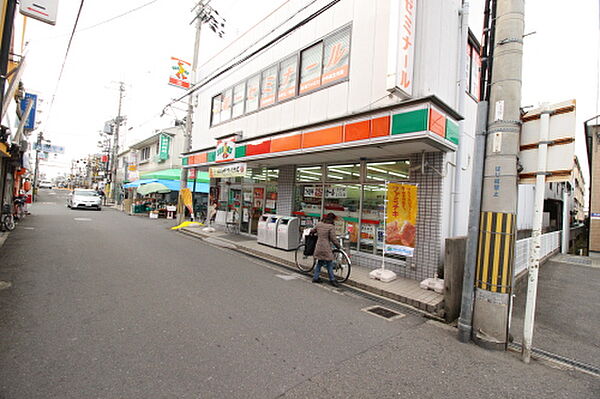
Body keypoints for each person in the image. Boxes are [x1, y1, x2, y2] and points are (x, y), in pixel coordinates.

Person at [311, 212, 341, 287]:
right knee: (329, 263)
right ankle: (332, 279)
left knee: (320, 262)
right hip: (326, 247)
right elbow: (333, 239)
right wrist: (338, 246)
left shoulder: (319, 224)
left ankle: (315, 277)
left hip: (318, 246)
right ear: (332, 219)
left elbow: (312, 231)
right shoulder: (331, 226)